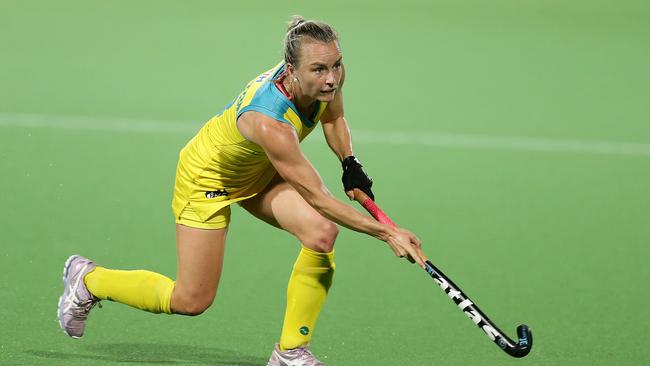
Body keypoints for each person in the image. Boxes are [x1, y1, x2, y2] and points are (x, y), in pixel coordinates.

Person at [57, 15, 426, 366]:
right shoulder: (268, 122)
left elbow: (333, 116)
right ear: (291, 70)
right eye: (319, 70)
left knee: (320, 233)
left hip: (258, 170)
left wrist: (350, 163)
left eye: (336, 65)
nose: (331, 78)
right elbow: (317, 197)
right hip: (208, 179)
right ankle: (88, 280)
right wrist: (387, 232)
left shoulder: (325, 77)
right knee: (191, 299)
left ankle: (290, 352)